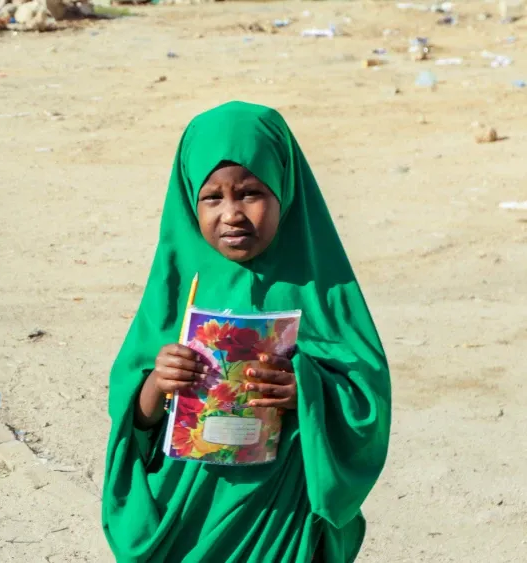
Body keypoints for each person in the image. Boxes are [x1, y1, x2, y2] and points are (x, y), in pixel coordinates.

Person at [101, 101, 391, 563]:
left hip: (283, 515)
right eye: (212, 198)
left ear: (285, 191)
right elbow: (131, 416)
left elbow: (367, 401)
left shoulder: (320, 288)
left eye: (251, 193)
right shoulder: (177, 289)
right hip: (187, 517)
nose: (231, 213)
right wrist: (159, 382)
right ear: (188, 200)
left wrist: (307, 391)